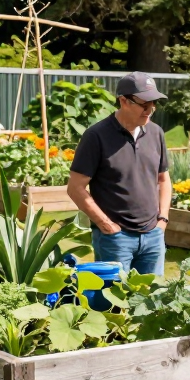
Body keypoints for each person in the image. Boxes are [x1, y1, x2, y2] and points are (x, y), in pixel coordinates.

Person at [67, 71, 171, 276]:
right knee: (114, 304)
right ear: (124, 101)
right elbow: (75, 188)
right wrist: (105, 224)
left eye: (154, 104)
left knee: (150, 302)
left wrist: (163, 220)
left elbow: (163, 179)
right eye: (144, 104)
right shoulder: (96, 136)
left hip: (153, 236)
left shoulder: (156, 133)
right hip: (116, 238)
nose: (150, 110)